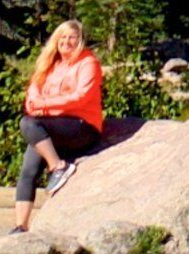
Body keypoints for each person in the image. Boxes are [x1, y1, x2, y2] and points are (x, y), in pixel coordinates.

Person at [12, 22, 131, 232]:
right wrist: (35, 103)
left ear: (80, 40)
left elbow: (81, 97)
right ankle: (21, 226)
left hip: (81, 126)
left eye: (72, 37)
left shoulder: (88, 63)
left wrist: (45, 104)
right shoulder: (49, 65)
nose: (66, 42)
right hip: (52, 126)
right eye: (62, 37)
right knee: (28, 169)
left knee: (28, 124)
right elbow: (33, 93)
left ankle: (59, 167)